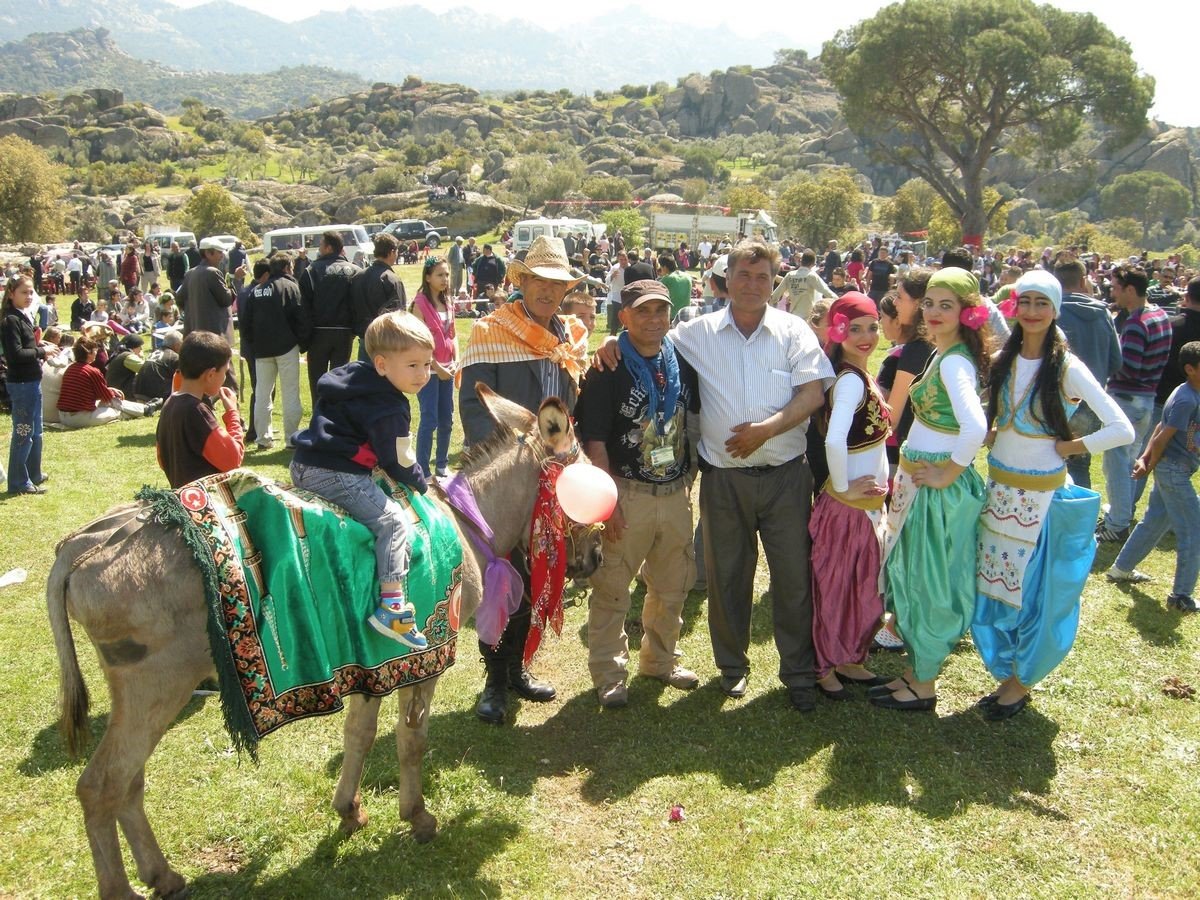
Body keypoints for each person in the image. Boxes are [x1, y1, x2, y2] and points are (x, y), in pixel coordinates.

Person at [595, 241, 836, 711]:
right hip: (724, 479)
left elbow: (812, 395)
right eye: (743, 275)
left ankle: (798, 672)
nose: (751, 284)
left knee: (792, 576)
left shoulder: (793, 331)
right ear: (726, 279)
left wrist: (767, 429)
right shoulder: (695, 332)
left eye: (762, 276)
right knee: (727, 576)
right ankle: (732, 667)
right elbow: (648, 336)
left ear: (774, 281)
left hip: (787, 474)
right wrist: (611, 341)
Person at [973, 272, 1134, 720]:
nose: (1031, 311)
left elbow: (1123, 428)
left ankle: (1021, 683)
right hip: (999, 495)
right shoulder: (1003, 359)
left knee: (1037, 596)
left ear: (1056, 309)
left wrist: (1071, 446)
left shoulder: (1067, 367)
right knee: (995, 589)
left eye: (1041, 303)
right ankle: (1009, 674)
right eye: (1024, 301)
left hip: (1041, 504)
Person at [458, 236, 590, 724]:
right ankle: (493, 680)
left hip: (555, 475)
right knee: (501, 577)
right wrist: (511, 464)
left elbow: (572, 406)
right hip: (510, 477)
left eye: (559, 285)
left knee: (537, 572)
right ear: (523, 281)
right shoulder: (492, 330)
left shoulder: (570, 336)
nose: (550, 292)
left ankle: (518, 667)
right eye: (541, 282)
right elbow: (474, 408)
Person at [574, 280, 702, 708]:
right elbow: (593, 441)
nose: (653, 319)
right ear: (623, 316)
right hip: (627, 494)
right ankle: (609, 674)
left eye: (660, 311)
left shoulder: (680, 358)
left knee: (673, 585)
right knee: (612, 588)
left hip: (674, 491)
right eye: (642, 311)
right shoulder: (606, 368)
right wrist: (608, 506)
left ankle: (660, 662)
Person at [871, 268, 991, 711]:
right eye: (930, 303)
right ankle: (915, 670)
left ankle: (924, 682)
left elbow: (975, 424)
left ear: (967, 311)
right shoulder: (945, 353)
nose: (935, 312)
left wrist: (948, 473)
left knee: (930, 579)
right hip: (921, 483)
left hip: (934, 489)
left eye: (947, 305)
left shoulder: (955, 360)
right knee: (914, 573)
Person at [290, 311, 432, 649]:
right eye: (412, 365)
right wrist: (422, 483)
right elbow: (397, 462)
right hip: (337, 473)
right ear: (382, 364)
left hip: (304, 463)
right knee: (394, 522)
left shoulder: (353, 378)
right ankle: (392, 607)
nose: (424, 374)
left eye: (427, 364)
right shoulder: (389, 406)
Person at [810, 292, 891, 700]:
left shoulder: (861, 375)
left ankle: (847, 658)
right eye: (855, 328)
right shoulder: (848, 382)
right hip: (847, 510)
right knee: (836, 587)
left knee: (860, 587)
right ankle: (824, 664)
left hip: (864, 509)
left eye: (872, 327)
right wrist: (843, 489)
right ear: (839, 331)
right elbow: (836, 441)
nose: (865, 336)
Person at [1106, 341, 1200, 613]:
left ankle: (1121, 569)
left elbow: (1160, 427)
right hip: (1174, 471)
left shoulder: (1189, 393)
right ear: (1190, 369)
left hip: (1175, 468)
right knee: (1193, 531)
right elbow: (1162, 435)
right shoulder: (1186, 398)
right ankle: (1181, 596)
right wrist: (1147, 461)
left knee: (1155, 520)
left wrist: (1146, 459)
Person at [1097, 265, 1172, 543]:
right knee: (1128, 462)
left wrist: (1107, 360)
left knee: (1117, 464)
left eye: (1116, 287)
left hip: (1128, 399)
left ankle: (1117, 524)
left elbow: (1128, 367)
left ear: (1130, 289)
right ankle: (1121, 514)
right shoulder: (1160, 315)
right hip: (1147, 398)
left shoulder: (1136, 324)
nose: (1112, 292)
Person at [1054, 257, 1122, 488]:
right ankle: (1080, 519)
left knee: (1048, 460)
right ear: (1084, 281)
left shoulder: (1049, 312)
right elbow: (1116, 361)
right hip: (1090, 403)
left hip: (1055, 400)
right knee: (1081, 465)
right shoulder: (1103, 314)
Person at [155, 332, 245, 489]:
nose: (224, 378)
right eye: (224, 372)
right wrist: (232, 413)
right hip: (206, 504)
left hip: (182, 498)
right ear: (210, 374)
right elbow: (233, 459)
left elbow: (162, 460)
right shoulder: (196, 411)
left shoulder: (170, 403)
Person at [243, 252, 304, 450]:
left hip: (261, 350)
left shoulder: (257, 290)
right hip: (286, 347)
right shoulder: (290, 286)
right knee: (290, 393)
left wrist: (254, 344)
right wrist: (301, 342)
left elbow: (245, 323)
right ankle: (291, 438)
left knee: (262, 393)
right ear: (287, 267)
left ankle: (263, 438)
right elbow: (299, 318)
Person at [299, 231, 362, 411]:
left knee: (317, 380)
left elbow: (303, 307)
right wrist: (354, 330)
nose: (318, 249)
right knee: (340, 378)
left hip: (318, 333)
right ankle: (337, 418)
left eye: (320, 245)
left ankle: (319, 417)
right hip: (344, 333)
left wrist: (305, 338)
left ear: (328, 247)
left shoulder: (311, 271)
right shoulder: (356, 272)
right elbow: (358, 305)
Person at [411, 256, 458, 478]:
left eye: (447, 274)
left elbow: (453, 335)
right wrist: (436, 366)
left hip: (448, 369)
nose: (445, 279)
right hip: (428, 370)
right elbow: (419, 342)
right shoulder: (419, 304)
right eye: (440, 274)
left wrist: (455, 359)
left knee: (447, 419)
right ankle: (423, 468)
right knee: (429, 419)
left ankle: (441, 464)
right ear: (428, 277)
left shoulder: (448, 301)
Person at [2, 275, 48, 495]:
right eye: (24, 292)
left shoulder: (23, 315)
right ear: (11, 293)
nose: (29, 296)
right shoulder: (9, 320)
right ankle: (18, 481)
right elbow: (16, 354)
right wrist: (42, 351)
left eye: (31, 292)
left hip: (32, 380)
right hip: (21, 384)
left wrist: (42, 345)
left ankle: (33, 473)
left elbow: (27, 346)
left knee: (37, 431)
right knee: (23, 433)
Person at [56, 338, 152, 428]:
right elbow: (106, 397)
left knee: (113, 403)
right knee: (118, 410)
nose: (96, 353)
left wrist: (109, 390)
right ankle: (145, 409)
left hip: (63, 416)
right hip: (80, 417)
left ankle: (145, 408)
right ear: (89, 353)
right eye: (95, 351)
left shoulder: (70, 369)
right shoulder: (91, 371)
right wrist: (112, 392)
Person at [351, 233, 407, 362]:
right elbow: (400, 314)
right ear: (392, 252)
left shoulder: (358, 277)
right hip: (386, 342)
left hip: (365, 339)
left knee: (365, 380)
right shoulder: (392, 279)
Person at [178, 238, 239, 344]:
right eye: (219, 252)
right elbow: (226, 300)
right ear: (207, 253)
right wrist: (235, 280)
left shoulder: (190, 273)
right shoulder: (212, 272)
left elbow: (179, 299)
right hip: (213, 336)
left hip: (195, 335)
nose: (222, 256)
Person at [771, 249, 836, 320]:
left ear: (801, 261)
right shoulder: (811, 276)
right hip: (807, 318)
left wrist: (773, 315)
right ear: (813, 264)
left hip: (794, 317)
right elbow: (828, 293)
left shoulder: (790, 275)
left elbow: (774, 296)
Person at [134, 330, 182, 402]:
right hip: (155, 394)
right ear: (177, 345)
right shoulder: (174, 357)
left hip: (138, 390)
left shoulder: (154, 352)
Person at [657, 255, 692, 319]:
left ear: (664, 267)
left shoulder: (667, 278)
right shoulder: (687, 276)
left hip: (673, 316)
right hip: (687, 314)